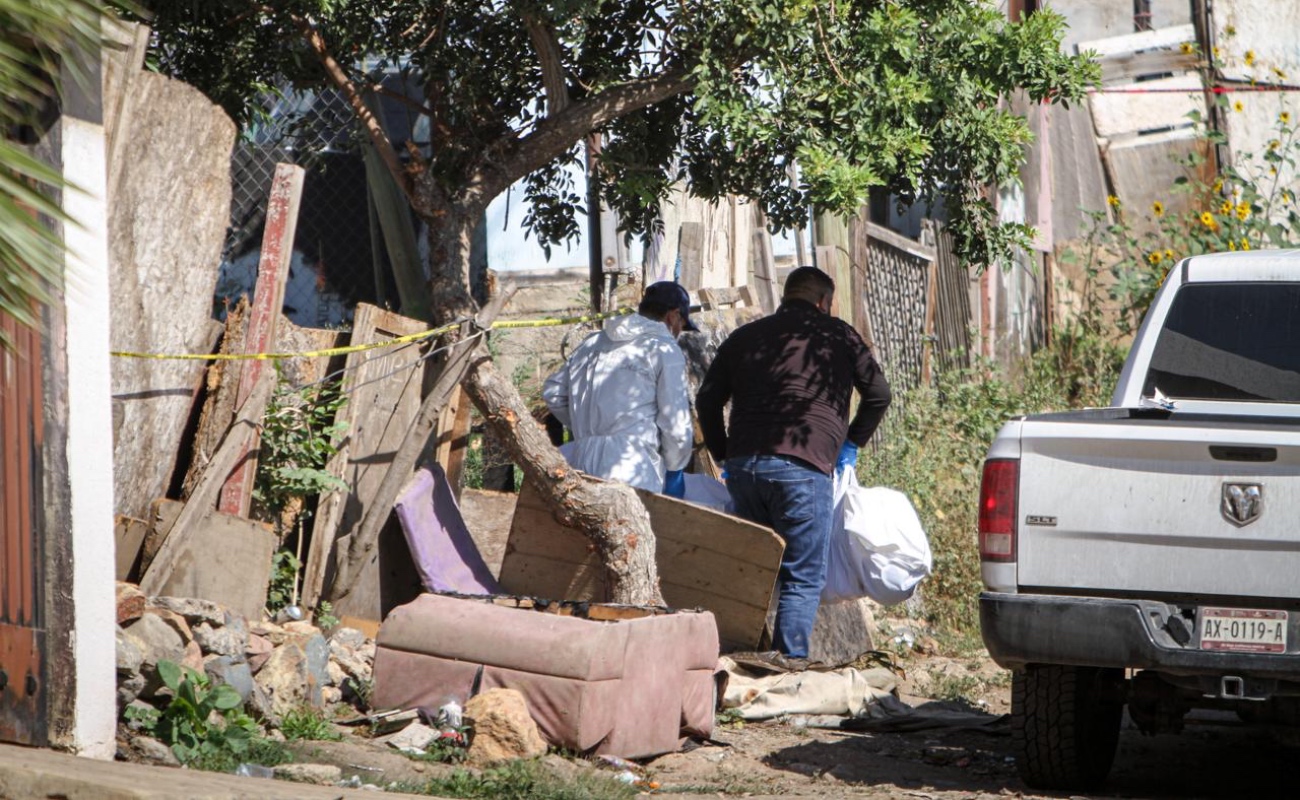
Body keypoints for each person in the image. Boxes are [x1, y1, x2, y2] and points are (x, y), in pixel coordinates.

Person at [696, 265, 891, 665]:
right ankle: (790, 667)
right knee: (802, 575)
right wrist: (851, 443)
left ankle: (740, 657)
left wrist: (723, 453)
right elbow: (879, 394)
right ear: (824, 302)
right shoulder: (839, 335)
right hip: (804, 466)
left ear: (786, 297)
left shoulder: (746, 336)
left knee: (756, 568)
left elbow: (707, 400)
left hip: (745, 469)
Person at [542, 281, 697, 495]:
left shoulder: (592, 343)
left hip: (582, 460)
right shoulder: (664, 349)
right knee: (629, 517)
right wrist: (675, 469)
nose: (679, 332)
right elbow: (675, 423)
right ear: (673, 316)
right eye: (682, 325)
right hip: (632, 465)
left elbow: (553, 392)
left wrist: (585, 425)